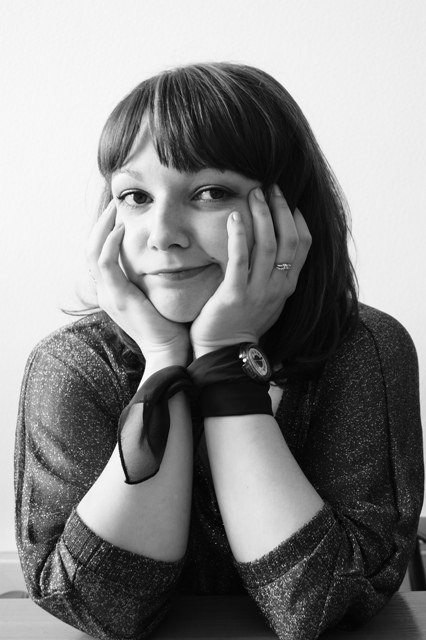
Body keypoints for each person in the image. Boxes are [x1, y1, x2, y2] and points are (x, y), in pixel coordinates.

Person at [15, 62, 423, 640]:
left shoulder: (364, 351)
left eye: (209, 192)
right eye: (134, 196)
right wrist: (164, 361)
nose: (163, 233)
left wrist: (225, 358)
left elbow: (320, 606)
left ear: (288, 212)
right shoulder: (72, 366)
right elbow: (100, 610)